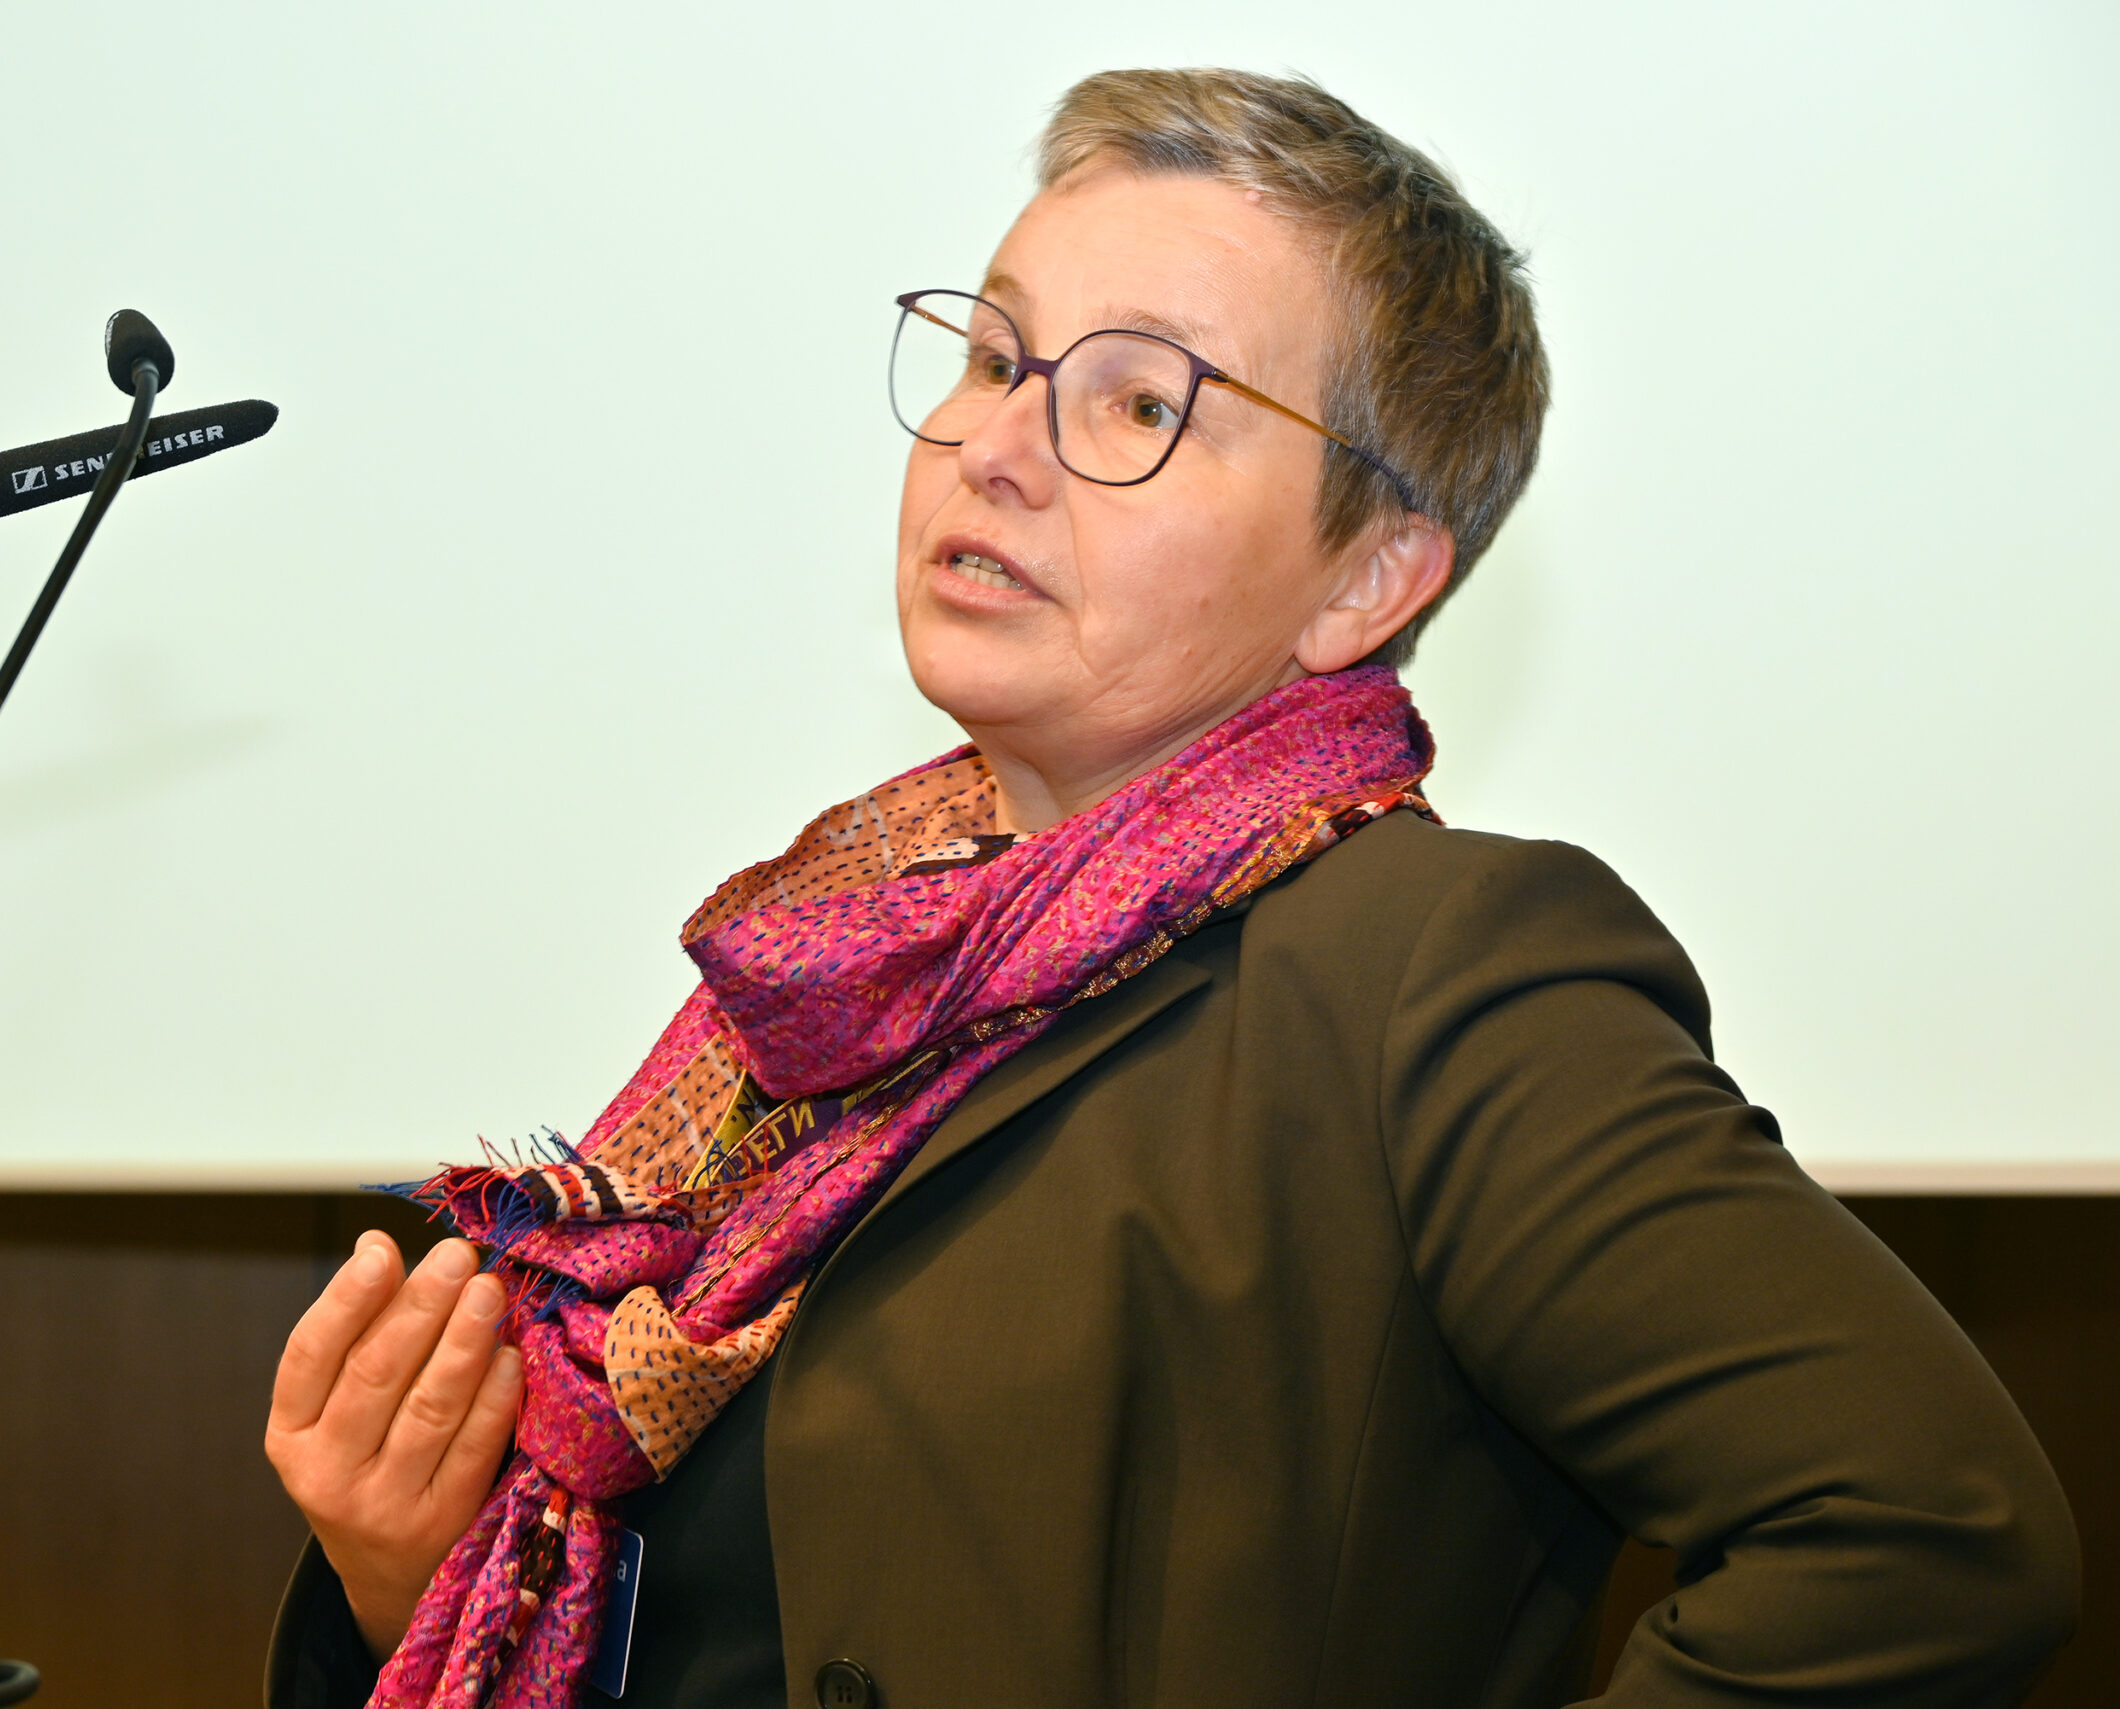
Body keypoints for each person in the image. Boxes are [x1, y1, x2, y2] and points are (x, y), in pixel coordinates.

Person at [262, 68, 2078, 1709]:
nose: (993, 445)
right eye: (995, 357)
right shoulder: (832, 985)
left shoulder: (1437, 976)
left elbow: (1927, 1532)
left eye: (1140, 401)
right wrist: (406, 1584)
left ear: (1368, 578)